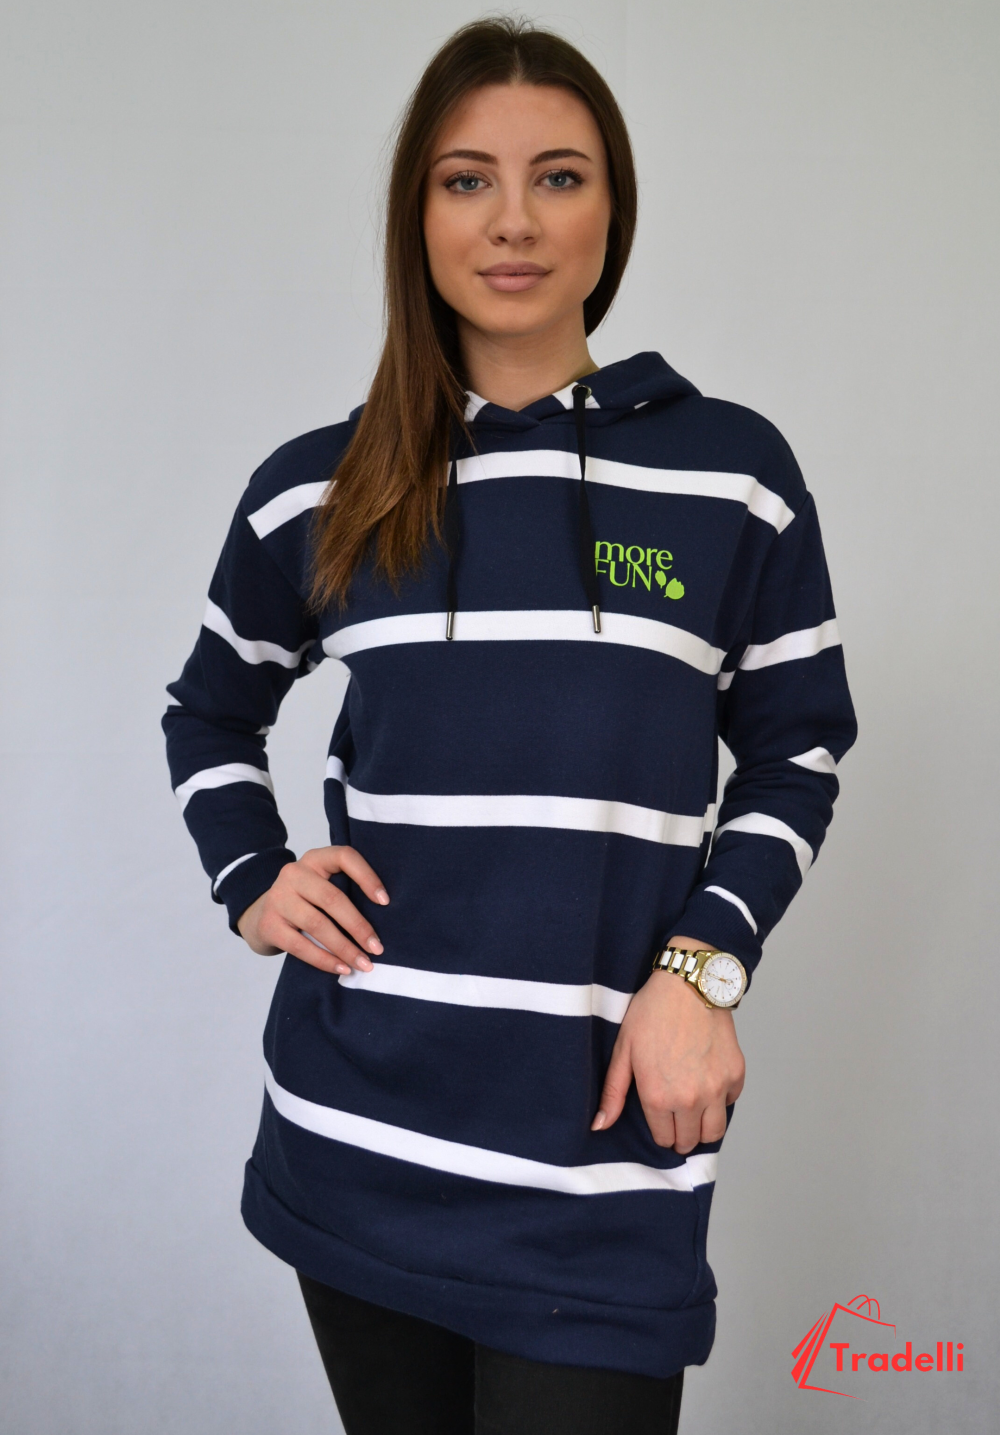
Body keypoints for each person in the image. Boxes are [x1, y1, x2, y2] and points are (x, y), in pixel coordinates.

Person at [163, 17, 856, 1434]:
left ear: (613, 207)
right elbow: (209, 709)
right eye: (467, 179)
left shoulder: (733, 476)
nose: (515, 221)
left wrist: (703, 969)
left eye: (560, 176)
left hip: (600, 1162)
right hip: (357, 1139)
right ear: (416, 215)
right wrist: (254, 880)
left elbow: (799, 747)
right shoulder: (324, 488)